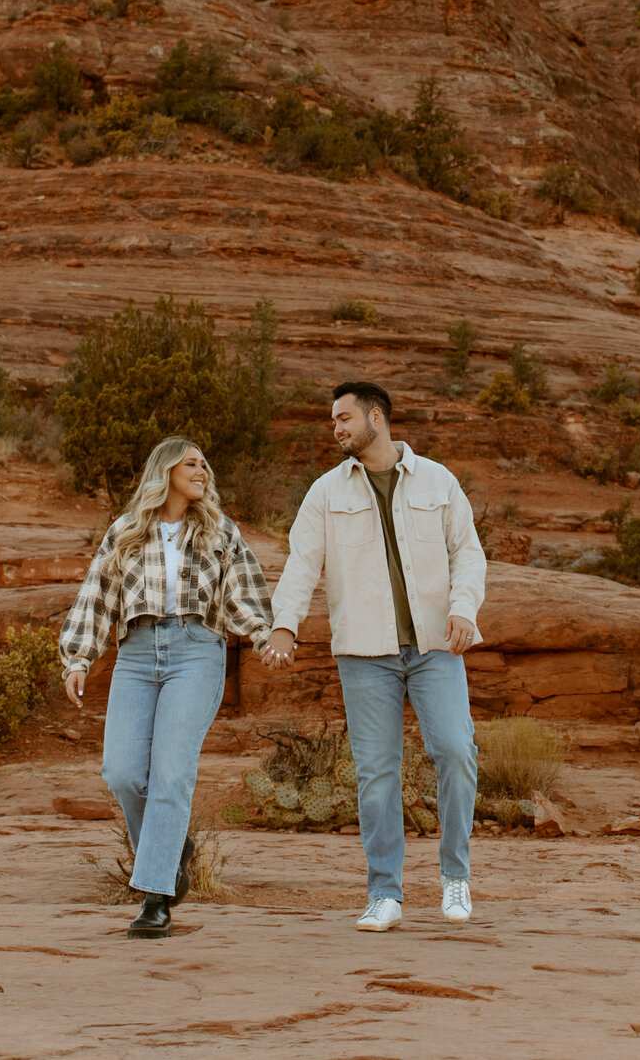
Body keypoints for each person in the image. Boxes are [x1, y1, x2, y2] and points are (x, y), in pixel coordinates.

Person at [262, 381, 487, 931]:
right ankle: (384, 892)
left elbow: (468, 553)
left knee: (456, 752)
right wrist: (284, 625)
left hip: (437, 646)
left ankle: (455, 877)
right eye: (332, 421)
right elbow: (301, 562)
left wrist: (464, 609)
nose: (335, 429)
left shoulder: (438, 480)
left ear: (376, 417)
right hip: (364, 654)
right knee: (377, 774)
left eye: (343, 418)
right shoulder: (325, 492)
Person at [60, 437, 273, 938]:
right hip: (136, 653)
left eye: (205, 465)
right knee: (122, 772)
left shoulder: (220, 530)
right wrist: (78, 659)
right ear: (167, 470)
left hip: (196, 650)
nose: (203, 471)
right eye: (192, 463)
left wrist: (265, 635)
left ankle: (156, 898)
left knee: (171, 775)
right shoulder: (126, 531)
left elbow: (243, 591)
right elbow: (97, 596)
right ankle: (173, 849)